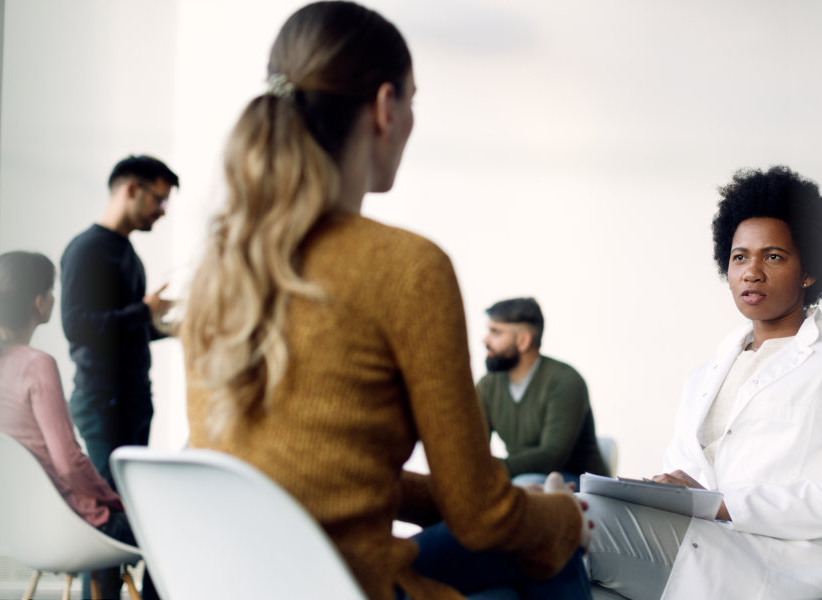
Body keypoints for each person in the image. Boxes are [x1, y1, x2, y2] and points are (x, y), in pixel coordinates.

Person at [178, 3, 591, 599]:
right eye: (414, 101)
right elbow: (483, 517)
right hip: (349, 587)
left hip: (247, 584)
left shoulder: (220, 269)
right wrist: (564, 516)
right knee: (553, 554)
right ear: (383, 108)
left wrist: (468, 500)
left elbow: (314, 473)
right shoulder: (408, 269)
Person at [581, 166, 822, 600]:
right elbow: (688, 474)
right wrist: (658, 491)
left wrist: (724, 503)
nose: (752, 272)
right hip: (698, 545)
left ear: (809, 271)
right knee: (564, 557)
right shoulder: (707, 374)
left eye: (774, 256)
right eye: (740, 257)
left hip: (781, 567)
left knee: (575, 524)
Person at [0, 252, 161, 600]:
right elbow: (69, 462)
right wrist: (116, 500)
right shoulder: (37, 364)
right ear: (39, 301)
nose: (55, 297)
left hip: (28, 531)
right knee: (170, 529)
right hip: (77, 524)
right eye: (52, 290)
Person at [59, 155, 179, 489]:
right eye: (159, 198)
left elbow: (119, 330)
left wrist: (168, 327)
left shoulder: (128, 253)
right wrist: (143, 310)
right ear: (131, 189)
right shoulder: (87, 249)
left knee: (133, 503)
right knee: (114, 507)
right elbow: (77, 326)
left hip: (133, 401)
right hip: (104, 405)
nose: (163, 210)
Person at [476, 297, 610, 487]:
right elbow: (473, 446)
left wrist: (489, 467)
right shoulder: (487, 385)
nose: (485, 340)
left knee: (523, 485)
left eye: (496, 332)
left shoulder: (566, 381)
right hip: (522, 480)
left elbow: (551, 458)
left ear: (523, 340)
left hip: (578, 485)